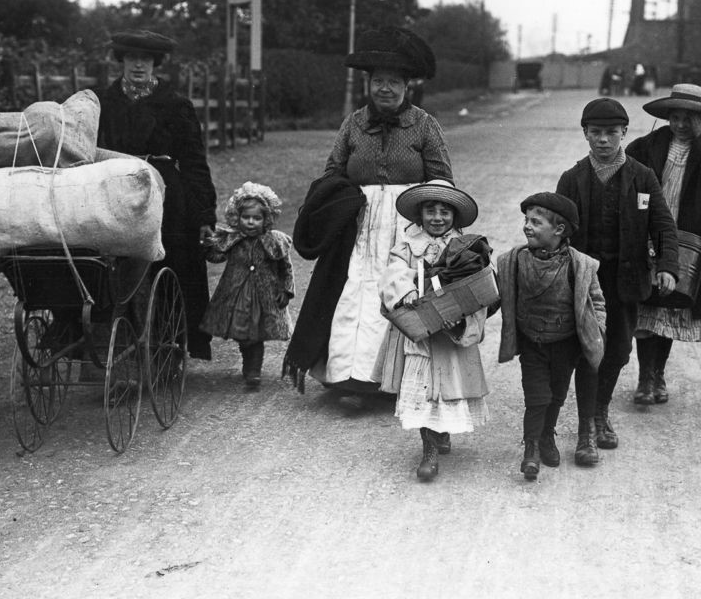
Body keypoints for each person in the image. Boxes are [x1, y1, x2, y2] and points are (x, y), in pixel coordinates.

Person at [283, 25, 452, 399]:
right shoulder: (354, 123)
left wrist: (431, 225)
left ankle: (394, 380)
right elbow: (332, 172)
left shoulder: (424, 125)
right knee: (352, 292)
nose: (385, 89)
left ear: (408, 87)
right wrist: (341, 201)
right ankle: (349, 376)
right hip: (358, 225)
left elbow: (442, 181)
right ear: (368, 84)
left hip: (407, 225)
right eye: (378, 81)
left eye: (393, 82)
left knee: (398, 292)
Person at [555, 97, 678, 452]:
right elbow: (556, 230)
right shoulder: (572, 179)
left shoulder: (642, 177)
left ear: (625, 132)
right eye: (596, 133)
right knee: (586, 350)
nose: (604, 140)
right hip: (584, 284)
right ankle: (589, 424)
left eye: (611, 133)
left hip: (625, 283)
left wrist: (668, 266)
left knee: (619, 350)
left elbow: (663, 226)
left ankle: (600, 408)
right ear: (585, 134)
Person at [95, 30, 217, 360]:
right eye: (132, 58)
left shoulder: (176, 105)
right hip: (115, 188)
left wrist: (205, 213)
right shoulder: (103, 103)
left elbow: (194, 161)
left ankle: (169, 344)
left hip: (165, 193)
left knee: (174, 258)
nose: (138, 66)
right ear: (121, 61)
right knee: (108, 263)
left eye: (146, 59)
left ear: (155, 63)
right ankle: (113, 343)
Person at [626, 84, 701, 406]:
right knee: (647, 305)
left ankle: (657, 373)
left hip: (686, 239)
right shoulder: (647, 146)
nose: (680, 125)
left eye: (689, 120)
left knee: (671, 303)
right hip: (649, 234)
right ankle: (645, 377)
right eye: (675, 118)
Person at [379, 181, 489, 481]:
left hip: (450, 334)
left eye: (445, 212)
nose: (437, 218)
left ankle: (441, 431)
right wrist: (407, 291)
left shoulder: (465, 248)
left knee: (447, 387)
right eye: (430, 211)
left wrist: (461, 314)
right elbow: (393, 273)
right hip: (421, 331)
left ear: (455, 216)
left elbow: (478, 286)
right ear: (419, 215)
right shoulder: (407, 246)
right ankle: (428, 448)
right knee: (424, 390)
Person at [497, 193, 605, 477]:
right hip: (532, 342)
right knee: (537, 397)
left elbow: (598, 302)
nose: (527, 226)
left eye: (535, 222)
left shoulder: (580, 265)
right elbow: (495, 294)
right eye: (526, 220)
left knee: (556, 395)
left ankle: (546, 435)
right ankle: (531, 447)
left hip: (566, 344)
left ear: (558, 230)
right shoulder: (514, 261)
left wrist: (597, 331)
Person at [201, 182, 295, 389]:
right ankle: (248, 362)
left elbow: (285, 268)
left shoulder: (273, 241)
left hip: (264, 297)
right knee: (243, 334)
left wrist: (286, 290)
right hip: (238, 295)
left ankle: (253, 371)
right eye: (246, 218)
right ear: (237, 217)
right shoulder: (233, 240)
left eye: (257, 218)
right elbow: (217, 257)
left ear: (266, 219)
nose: (251, 222)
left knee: (256, 334)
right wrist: (208, 247)